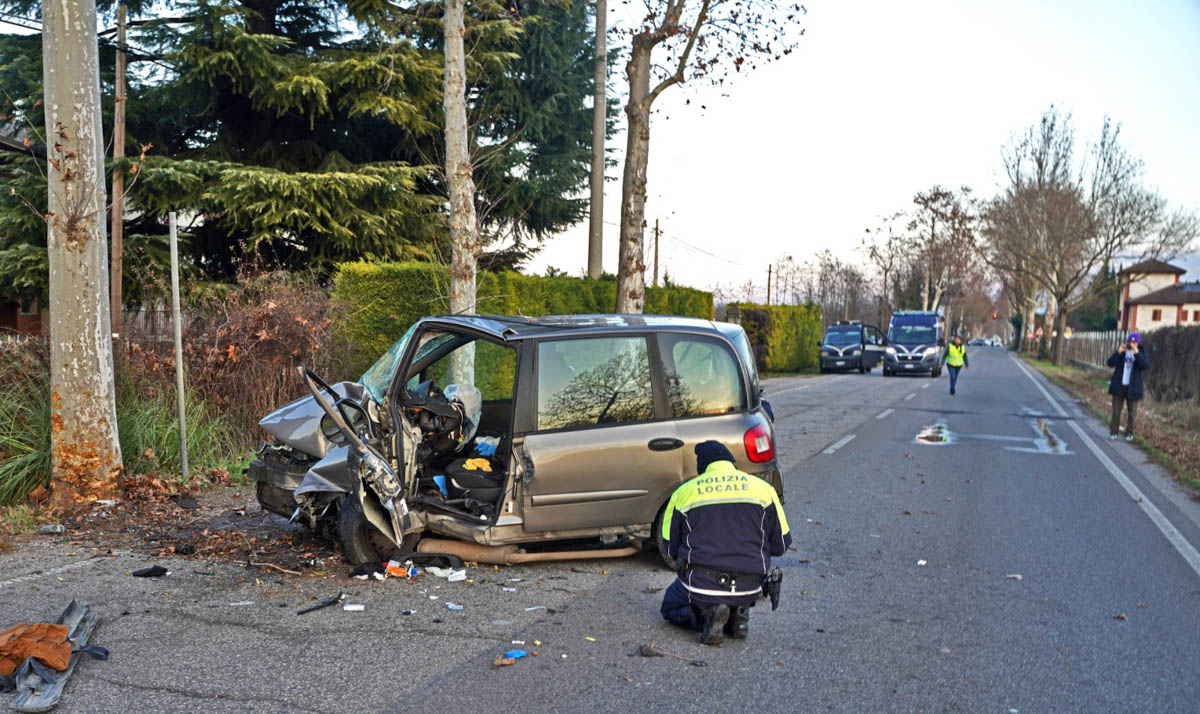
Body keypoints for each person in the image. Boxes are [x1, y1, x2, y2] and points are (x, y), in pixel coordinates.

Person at [659, 441, 790, 646]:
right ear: (732, 463)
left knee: (670, 606)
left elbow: (669, 548)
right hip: (751, 585)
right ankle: (739, 613)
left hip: (701, 585)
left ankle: (707, 617)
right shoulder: (764, 490)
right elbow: (781, 545)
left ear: (702, 467)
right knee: (739, 588)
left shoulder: (684, 493)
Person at [1107, 332, 1150, 442]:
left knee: (1132, 413)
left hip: (1133, 387)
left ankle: (1129, 433)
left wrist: (1136, 353)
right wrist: (1118, 352)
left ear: (1138, 343)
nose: (1132, 344)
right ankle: (1113, 432)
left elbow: (1145, 365)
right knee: (1116, 412)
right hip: (1119, 386)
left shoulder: (1141, 352)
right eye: (1130, 342)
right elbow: (1110, 363)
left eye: (1134, 342)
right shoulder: (1122, 352)